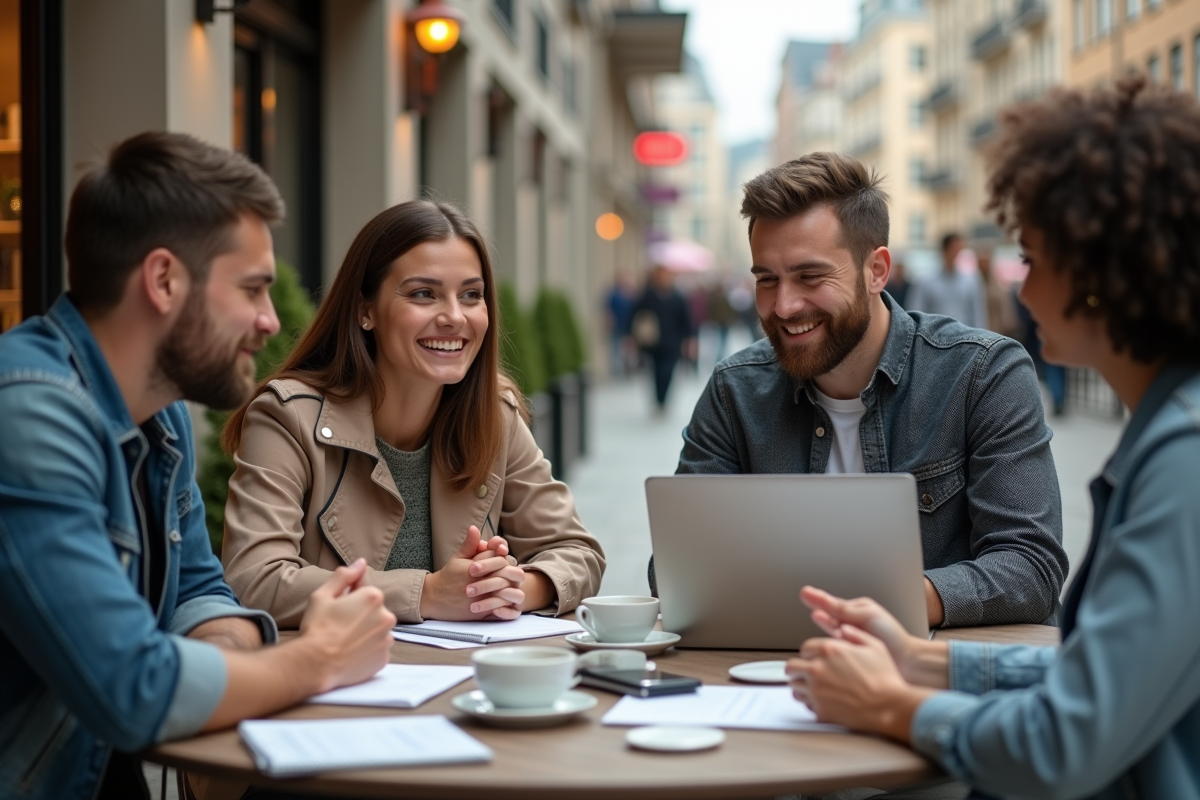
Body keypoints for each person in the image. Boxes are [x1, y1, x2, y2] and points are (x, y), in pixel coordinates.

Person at [788, 76, 1200, 800]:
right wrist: (925, 663)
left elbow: (1064, 743)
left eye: (1034, 259)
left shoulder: (1185, 459)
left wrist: (890, 704)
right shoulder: (1173, 436)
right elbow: (1102, 673)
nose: (1023, 292)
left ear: (1102, 273)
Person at [0, 132, 396, 800]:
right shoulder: (28, 416)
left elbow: (199, 593)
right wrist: (318, 656)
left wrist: (219, 656)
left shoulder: (162, 415)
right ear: (163, 280)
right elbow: (133, 687)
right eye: (253, 289)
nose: (272, 321)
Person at [670, 151, 1068, 629]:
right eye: (767, 280)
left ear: (877, 270)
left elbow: (1031, 567)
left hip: (940, 680)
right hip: (771, 676)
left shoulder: (984, 374)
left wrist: (885, 604)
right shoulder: (734, 390)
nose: (784, 305)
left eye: (810, 276)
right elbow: (676, 573)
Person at [220, 201, 605, 628]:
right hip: (341, 684)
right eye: (424, 293)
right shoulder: (287, 418)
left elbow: (578, 552)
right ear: (366, 310)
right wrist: (427, 594)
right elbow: (254, 580)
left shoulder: (494, 414)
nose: (454, 317)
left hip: (462, 684)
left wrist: (512, 586)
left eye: (471, 295)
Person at [630, 265, 697, 414]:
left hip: (673, 343)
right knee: (656, 373)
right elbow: (635, 316)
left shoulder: (678, 297)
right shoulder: (648, 296)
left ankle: (663, 399)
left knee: (667, 372)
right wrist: (632, 337)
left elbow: (686, 321)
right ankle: (658, 400)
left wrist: (689, 341)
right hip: (653, 343)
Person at [906, 233, 987, 329]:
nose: (956, 254)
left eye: (959, 250)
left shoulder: (971, 281)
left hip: (964, 338)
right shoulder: (925, 282)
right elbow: (915, 313)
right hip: (934, 338)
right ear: (945, 250)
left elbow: (978, 316)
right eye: (954, 250)